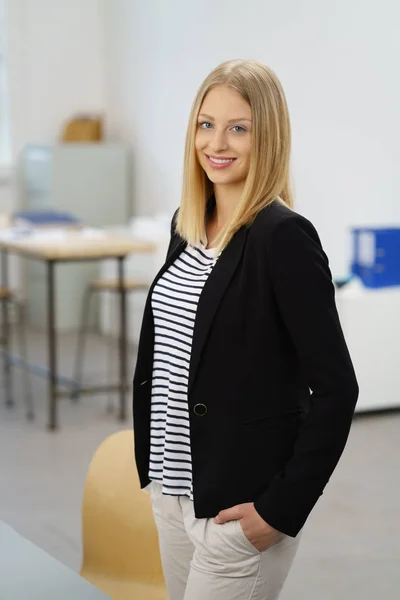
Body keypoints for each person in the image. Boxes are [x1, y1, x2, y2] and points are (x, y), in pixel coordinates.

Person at [132, 59, 359, 600]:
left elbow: (336, 389)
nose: (218, 143)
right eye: (206, 124)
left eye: (239, 127)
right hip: (173, 490)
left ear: (269, 138)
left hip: (238, 511)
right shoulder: (187, 223)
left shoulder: (284, 239)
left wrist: (279, 511)